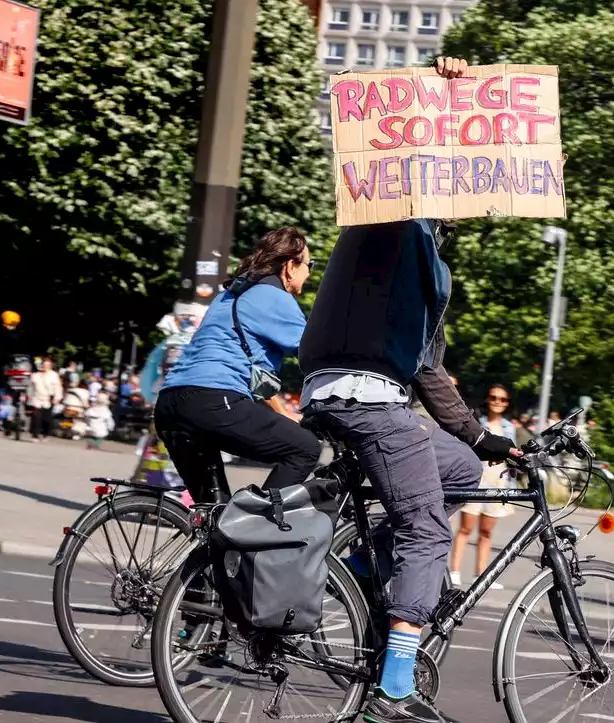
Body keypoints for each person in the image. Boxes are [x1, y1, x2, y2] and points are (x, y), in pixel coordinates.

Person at [300, 57, 518, 723]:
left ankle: (370, 569)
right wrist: (442, 88)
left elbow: (427, 369)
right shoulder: (394, 223)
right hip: (365, 396)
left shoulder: (417, 261)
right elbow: (398, 141)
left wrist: (484, 440)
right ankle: (393, 689)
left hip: (342, 392)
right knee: (426, 530)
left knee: (457, 467)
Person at [154, 227, 320, 499]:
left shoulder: (228, 296)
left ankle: (221, 539)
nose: (309, 272)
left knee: (214, 515)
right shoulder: (275, 297)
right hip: (213, 401)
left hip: (171, 405)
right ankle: (257, 524)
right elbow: (319, 354)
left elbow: (252, 373)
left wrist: (281, 412)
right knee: (305, 448)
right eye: (309, 265)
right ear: (290, 266)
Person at [448, 384, 518, 589]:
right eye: (494, 397)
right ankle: (455, 571)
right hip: (477, 481)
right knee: (465, 529)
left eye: (502, 399)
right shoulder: (477, 422)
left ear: (507, 404)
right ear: (488, 399)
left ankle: (481, 574)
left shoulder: (509, 428)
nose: (498, 402)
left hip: (498, 483)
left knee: (486, 532)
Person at [28, 358, 63, 442]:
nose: (45, 367)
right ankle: (35, 435)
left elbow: (58, 387)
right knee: (36, 417)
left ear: (51, 366)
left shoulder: (54, 375)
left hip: (48, 399)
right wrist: (28, 396)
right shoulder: (35, 375)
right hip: (37, 398)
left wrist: (57, 398)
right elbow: (30, 387)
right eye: (44, 365)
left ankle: (46, 434)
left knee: (46, 419)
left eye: (48, 365)